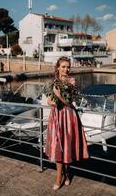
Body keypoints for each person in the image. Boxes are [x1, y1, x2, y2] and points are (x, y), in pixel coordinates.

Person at [45, 56, 89, 190]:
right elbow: (48, 100)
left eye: (68, 66)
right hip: (56, 116)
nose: (66, 69)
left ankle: (67, 173)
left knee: (67, 146)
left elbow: (69, 102)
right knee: (58, 145)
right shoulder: (54, 82)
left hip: (69, 116)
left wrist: (58, 96)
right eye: (63, 66)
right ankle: (59, 176)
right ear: (58, 67)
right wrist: (51, 100)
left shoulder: (72, 81)